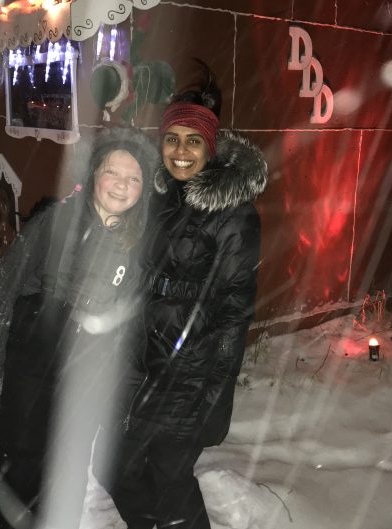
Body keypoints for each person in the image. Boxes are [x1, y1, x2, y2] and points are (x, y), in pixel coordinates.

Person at [95, 66, 268, 529]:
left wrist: (216, 395)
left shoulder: (234, 215)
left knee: (169, 477)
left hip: (187, 373)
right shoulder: (160, 196)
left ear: (210, 147)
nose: (182, 151)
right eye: (172, 139)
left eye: (194, 141)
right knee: (113, 464)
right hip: (139, 360)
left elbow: (235, 311)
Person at [0, 127, 158, 529]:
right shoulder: (57, 221)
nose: (122, 186)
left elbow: (134, 320)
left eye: (134, 178)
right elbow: (5, 286)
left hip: (87, 369)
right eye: (113, 172)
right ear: (93, 175)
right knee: (15, 470)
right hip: (34, 354)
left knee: (67, 472)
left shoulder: (139, 242)